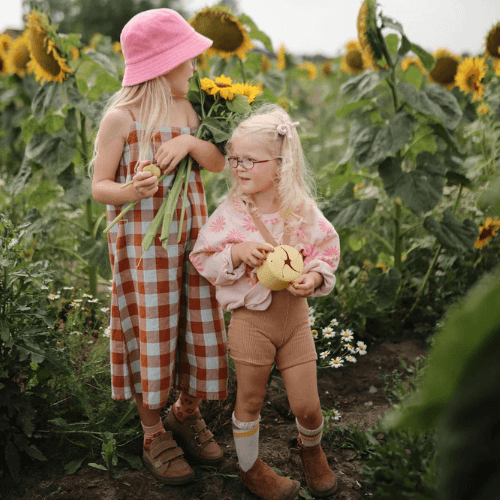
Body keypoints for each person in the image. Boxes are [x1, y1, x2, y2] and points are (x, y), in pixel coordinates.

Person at [91, 9, 228, 485]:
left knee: (197, 326)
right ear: (162, 64)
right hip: (144, 252)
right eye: (188, 59)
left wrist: (191, 140)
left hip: (191, 243)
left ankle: (184, 412)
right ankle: (152, 432)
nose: (194, 67)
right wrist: (133, 191)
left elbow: (216, 164)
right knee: (152, 332)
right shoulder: (121, 119)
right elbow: (99, 187)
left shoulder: (190, 111)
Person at [190, 104, 341, 499]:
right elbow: (202, 257)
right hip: (251, 322)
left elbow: (326, 249)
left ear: (280, 165)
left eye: (249, 160)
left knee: (307, 406)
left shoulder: (302, 213)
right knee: (251, 399)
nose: (237, 167)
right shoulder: (230, 215)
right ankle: (249, 467)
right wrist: (237, 253)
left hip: (293, 320)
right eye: (234, 158)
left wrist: (313, 275)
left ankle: (311, 450)